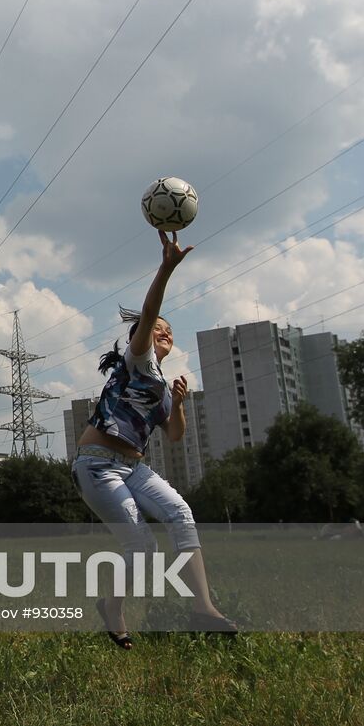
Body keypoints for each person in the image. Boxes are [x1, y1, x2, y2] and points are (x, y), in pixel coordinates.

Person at [72, 229, 237, 648]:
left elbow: (176, 437)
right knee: (141, 545)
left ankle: (204, 608)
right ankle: (113, 607)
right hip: (97, 464)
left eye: (168, 329)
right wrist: (166, 268)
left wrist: (178, 403)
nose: (164, 331)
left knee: (181, 515)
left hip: (133, 467)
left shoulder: (161, 385)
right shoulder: (137, 359)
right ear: (140, 339)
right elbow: (148, 313)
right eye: (157, 328)